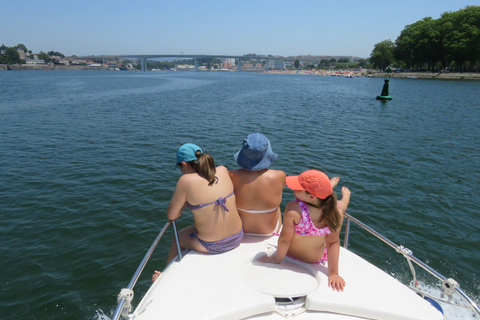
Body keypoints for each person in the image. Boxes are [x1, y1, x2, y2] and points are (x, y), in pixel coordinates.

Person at [153, 143, 243, 281]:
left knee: (179, 236)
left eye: (180, 167)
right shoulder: (223, 170)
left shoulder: (186, 181)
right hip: (238, 236)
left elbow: (172, 215)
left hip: (213, 245)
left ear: (185, 164)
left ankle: (165, 276)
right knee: (192, 229)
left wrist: (185, 203)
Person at [259, 169, 350, 292]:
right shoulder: (336, 213)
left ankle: (330, 187)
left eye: (297, 188)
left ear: (311, 197)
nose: (293, 189)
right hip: (314, 259)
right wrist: (333, 273)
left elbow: (285, 240)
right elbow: (333, 242)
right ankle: (337, 193)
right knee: (341, 205)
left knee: (339, 205)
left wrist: (276, 259)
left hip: (289, 254)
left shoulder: (294, 209)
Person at [229, 133, 286, 235]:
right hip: (270, 230)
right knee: (276, 206)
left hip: (239, 229)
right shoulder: (279, 176)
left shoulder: (231, 175)